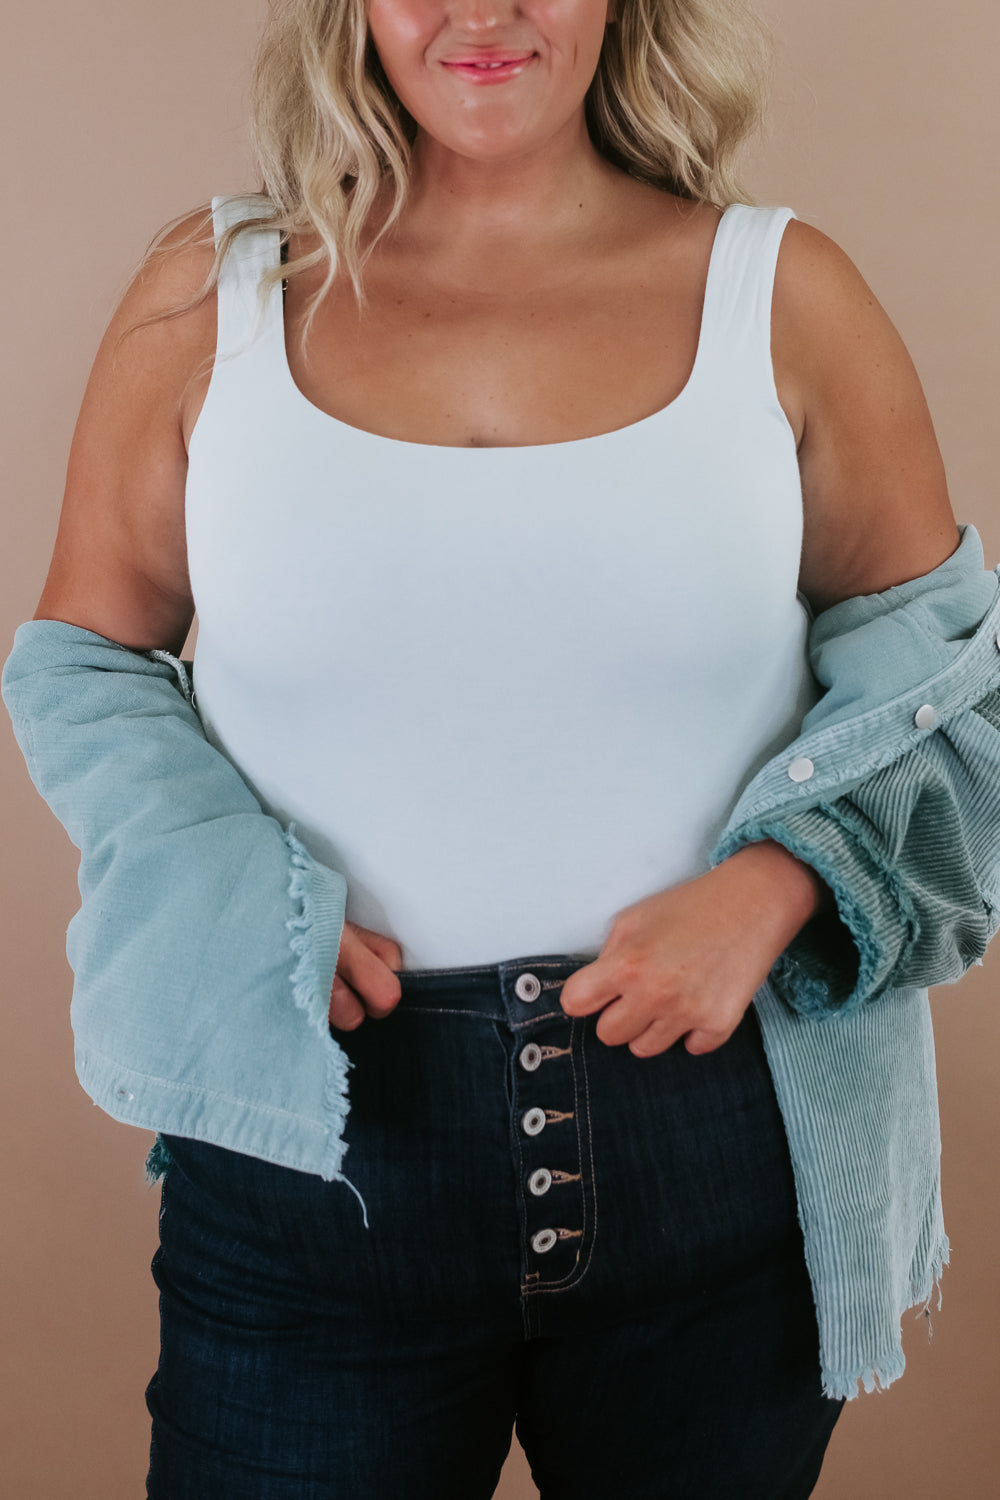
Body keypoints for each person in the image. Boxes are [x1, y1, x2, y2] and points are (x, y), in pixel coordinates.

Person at [4, 0, 1000, 1495]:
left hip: (725, 1139)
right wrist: (227, 886)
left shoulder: (781, 294)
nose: (484, 10)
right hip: (317, 1143)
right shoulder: (213, 297)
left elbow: (955, 683)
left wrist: (781, 885)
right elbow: (86, 658)